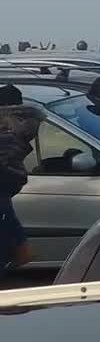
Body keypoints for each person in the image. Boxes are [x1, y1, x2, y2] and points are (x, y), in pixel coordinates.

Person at [0, 84, 42, 273]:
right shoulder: (25, 121)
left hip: (6, 176)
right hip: (10, 177)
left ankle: (18, 251)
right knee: (5, 215)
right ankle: (20, 249)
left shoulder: (9, 125)